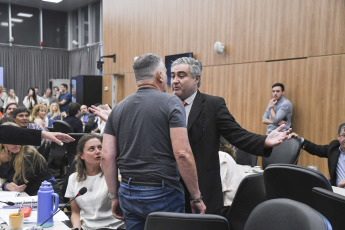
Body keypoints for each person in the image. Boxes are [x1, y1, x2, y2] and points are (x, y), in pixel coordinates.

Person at [170, 57, 290, 214]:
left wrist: (264, 141)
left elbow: (236, 134)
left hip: (203, 189)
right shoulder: (166, 104)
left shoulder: (213, 105)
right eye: (172, 76)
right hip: (171, 190)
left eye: (181, 75)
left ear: (196, 78)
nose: (175, 81)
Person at [102, 53, 205, 230]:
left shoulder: (118, 108)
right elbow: (182, 154)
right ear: (159, 75)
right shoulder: (171, 102)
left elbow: (106, 156)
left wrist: (114, 196)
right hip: (162, 193)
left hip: (128, 191)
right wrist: (196, 197)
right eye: (166, 73)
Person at [66, 134, 123, 230]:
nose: (98, 152)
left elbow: (123, 202)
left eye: (100, 147)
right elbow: (75, 213)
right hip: (87, 227)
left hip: (113, 227)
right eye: (92, 149)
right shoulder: (73, 178)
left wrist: (107, 169)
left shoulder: (114, 173)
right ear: (81, 155)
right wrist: (76, 228)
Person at [0, 122, 62, 198]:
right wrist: (6, 185)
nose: (15, 144)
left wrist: (6, 163)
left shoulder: (28, 153)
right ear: (3, 143)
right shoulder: (4, 153)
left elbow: (19, 183)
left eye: (17, 139)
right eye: (10, 141)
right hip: (29, 196)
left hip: (47, 194)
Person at [289, 123, 345, 188]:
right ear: (338, 137)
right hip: (338, 192)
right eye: (344, 135)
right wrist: (299, 140)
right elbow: (315, 149)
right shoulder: (333, 148)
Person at [218, 137, 244, 216]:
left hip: (226, 208)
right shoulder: (225, 155)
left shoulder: (221, 156)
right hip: (229, 206)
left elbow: (218, 188)